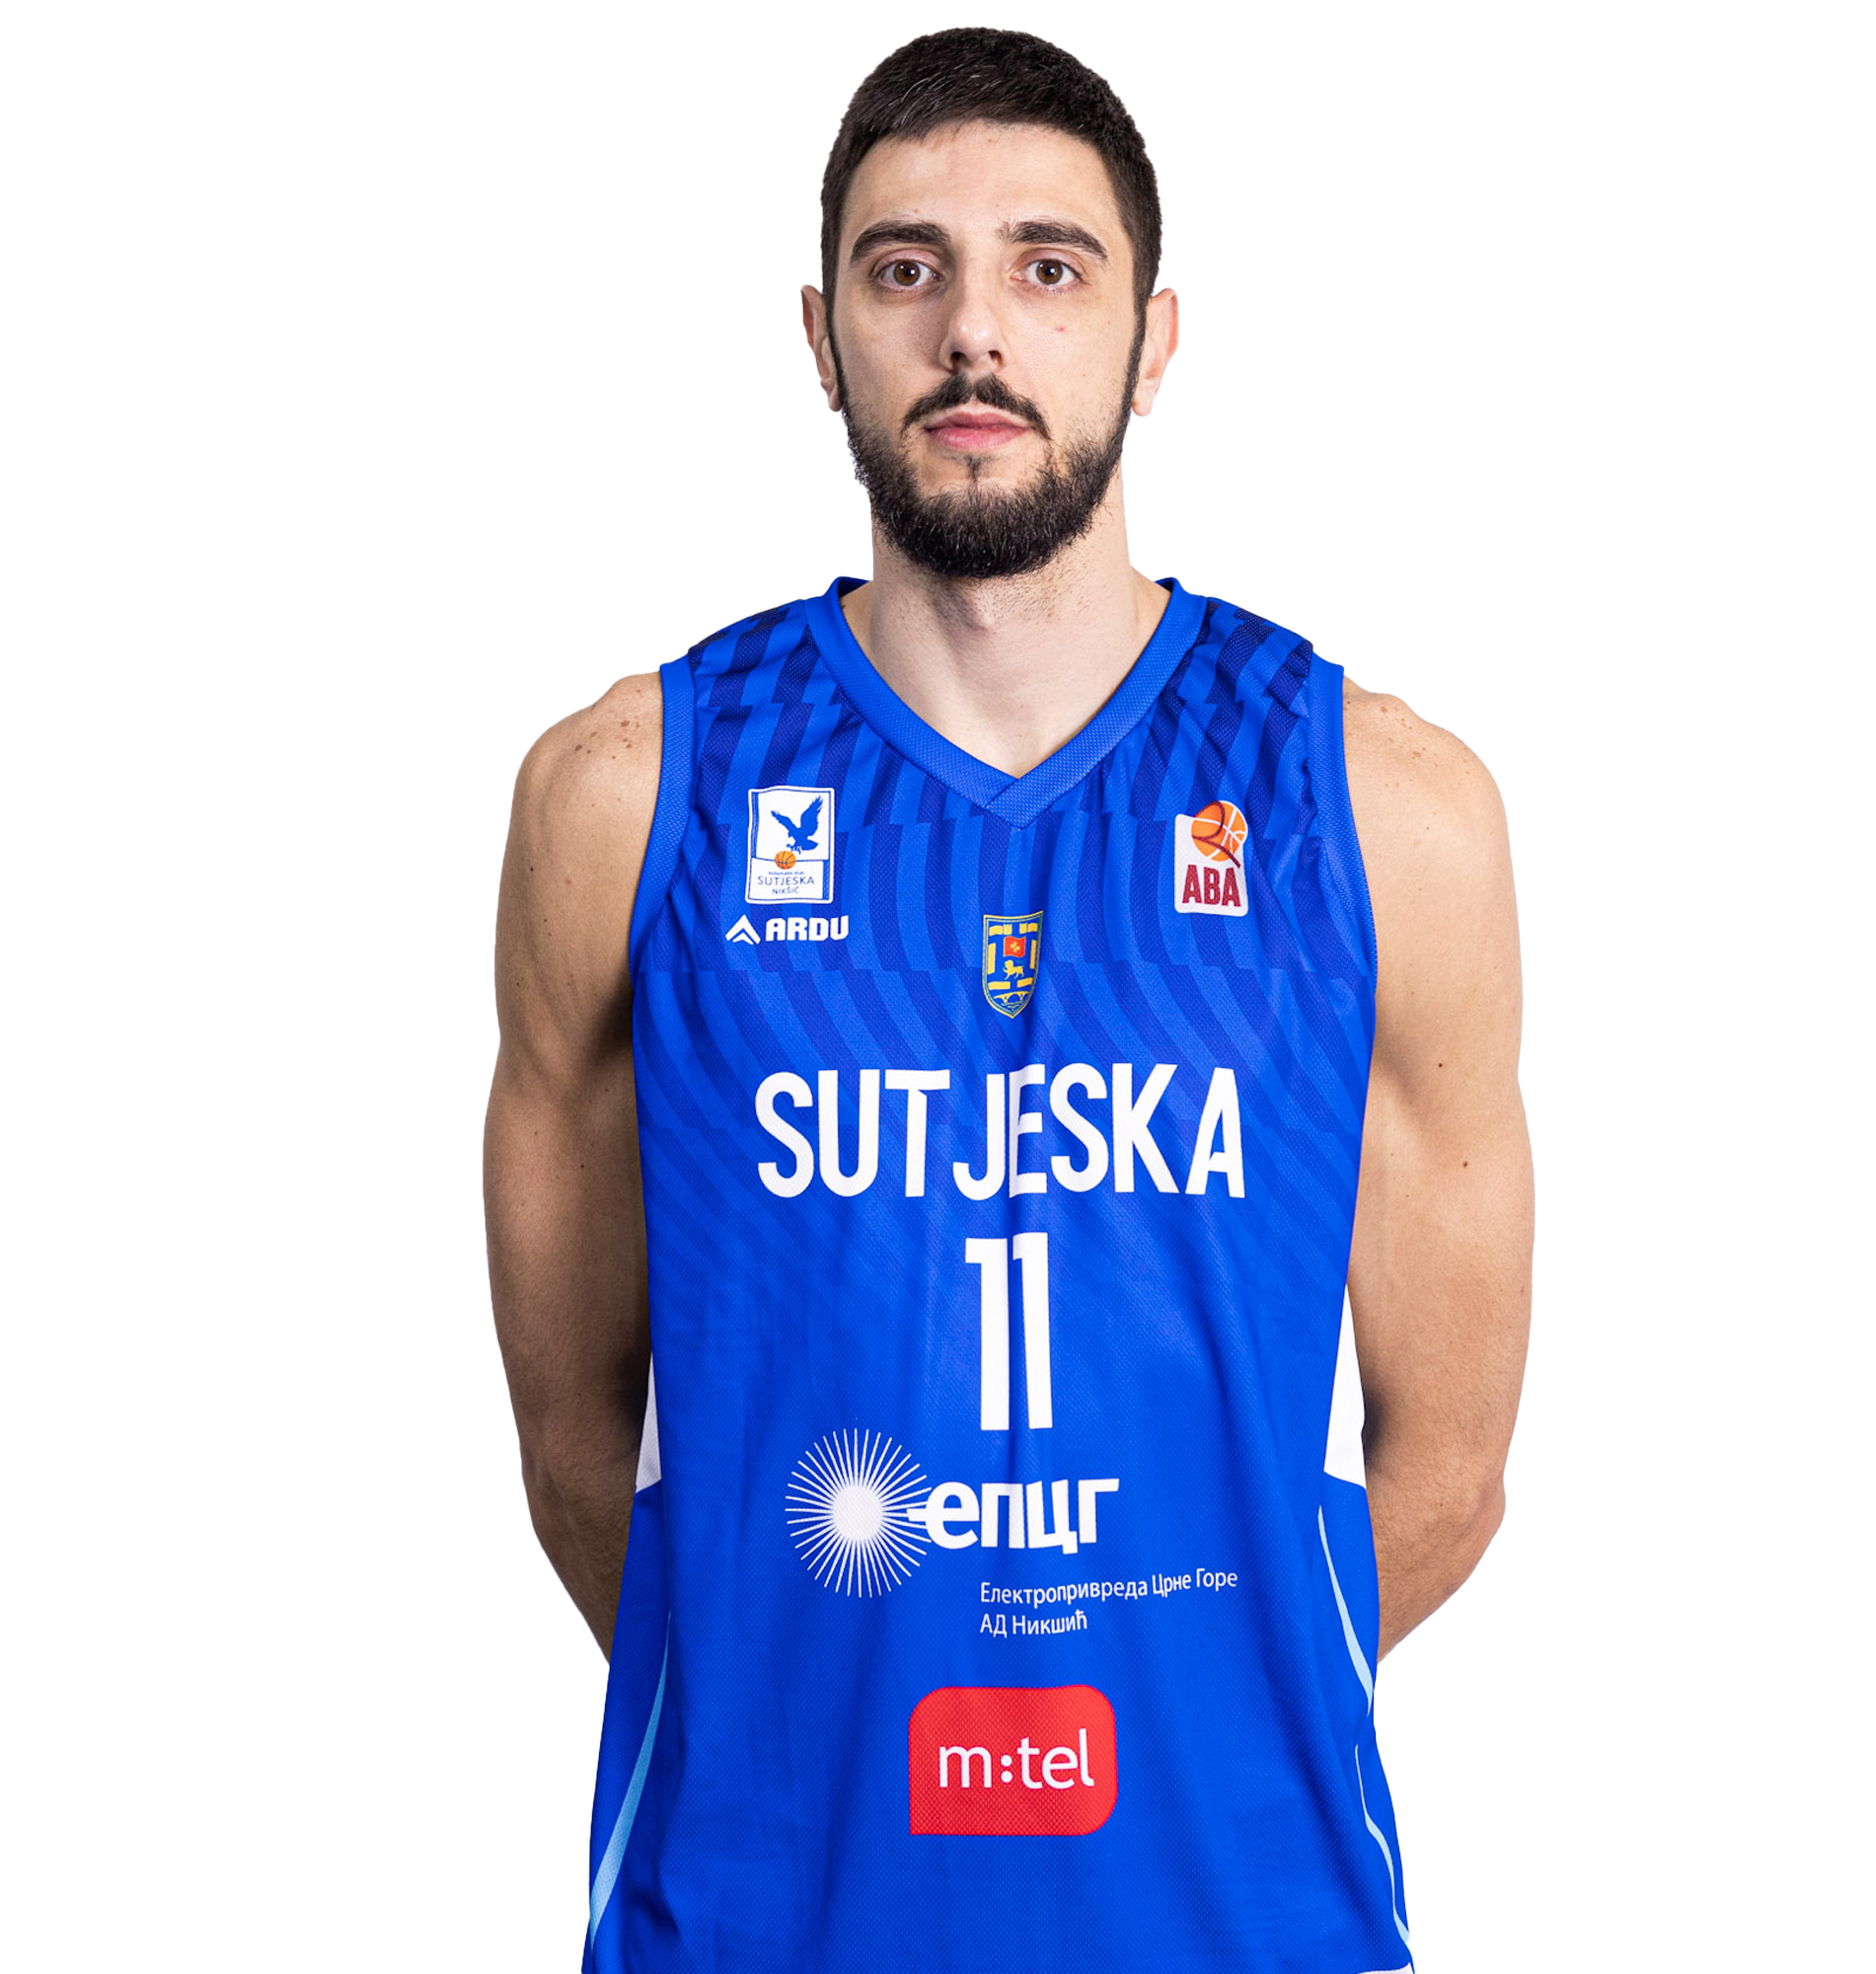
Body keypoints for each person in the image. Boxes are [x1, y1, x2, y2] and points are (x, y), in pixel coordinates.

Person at [485, 26, 1532, 1974]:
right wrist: (809, 1693)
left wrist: (1194, 1678)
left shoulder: (1379, 810)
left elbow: (1451, 1475)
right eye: (908, 268)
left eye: (1050, 267)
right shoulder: (626, 799)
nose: (974, 329)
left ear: (1150, 340)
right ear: (824, 337)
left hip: (1241, 1925)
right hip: (762, 1922)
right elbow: (569, 1457)